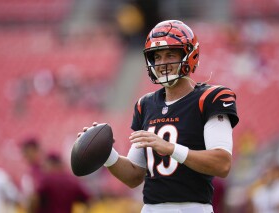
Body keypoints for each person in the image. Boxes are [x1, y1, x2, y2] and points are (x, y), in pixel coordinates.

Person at [80, 20, 239, 213]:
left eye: (170, 54)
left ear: (189, 54)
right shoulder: (145, 105)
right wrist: (106, 154)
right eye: (157, 56)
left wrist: (170, 148)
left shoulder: (209, 98)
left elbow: (222, 163)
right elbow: (134, 175)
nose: (163, 63)